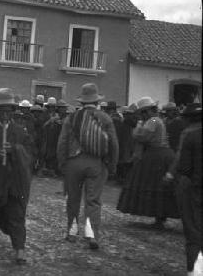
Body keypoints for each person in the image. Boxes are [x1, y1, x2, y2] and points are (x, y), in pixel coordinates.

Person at [57, 83, 119, 250]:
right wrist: (112, 165)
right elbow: (113, 144)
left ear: (82, 102)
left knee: (73, 199)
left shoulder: (71, 118)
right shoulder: (105, 118)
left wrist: (62, 163)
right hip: (96, 163)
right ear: (97, 101)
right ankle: (91, 236)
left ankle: (71, 232)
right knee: (93, 201)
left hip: (73, 162)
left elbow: (62, 142)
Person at [0, 88, 32, 265]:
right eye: (2, 109)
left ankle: (19, 249)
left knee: (16, 214)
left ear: (13, 111)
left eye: (9, 110)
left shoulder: (19, 131)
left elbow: (29, 154)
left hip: (14, 181)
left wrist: (16, 150)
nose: (5, 113)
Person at [117, 97, 179, 228]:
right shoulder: (157, 120)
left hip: (156, 154)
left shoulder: (153, 121)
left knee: (153, 184)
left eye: (142, 113)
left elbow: (142, 137)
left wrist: (138, 127)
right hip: (161, 153)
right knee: (158, 186)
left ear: (146, 111)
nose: (141, 115)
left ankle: (159, 217)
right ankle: (160, 217)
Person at [165, 103, 202, 276]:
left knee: (194, 232)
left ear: (188, 119)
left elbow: (184, 166)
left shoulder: (190, 135)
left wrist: (171, 174)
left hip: (194, 187)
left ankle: (195, 271)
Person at [41, 99, 67, 178]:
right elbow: (43, 126)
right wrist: (51, 120)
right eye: (50, 107)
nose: (52, 108)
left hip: (60, 136)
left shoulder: (65, 116)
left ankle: (57, 170)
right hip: (50, 137)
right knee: (50, 153)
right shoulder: (47, 115)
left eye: (53, 107)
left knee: (59, 153)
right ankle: (50, 170)